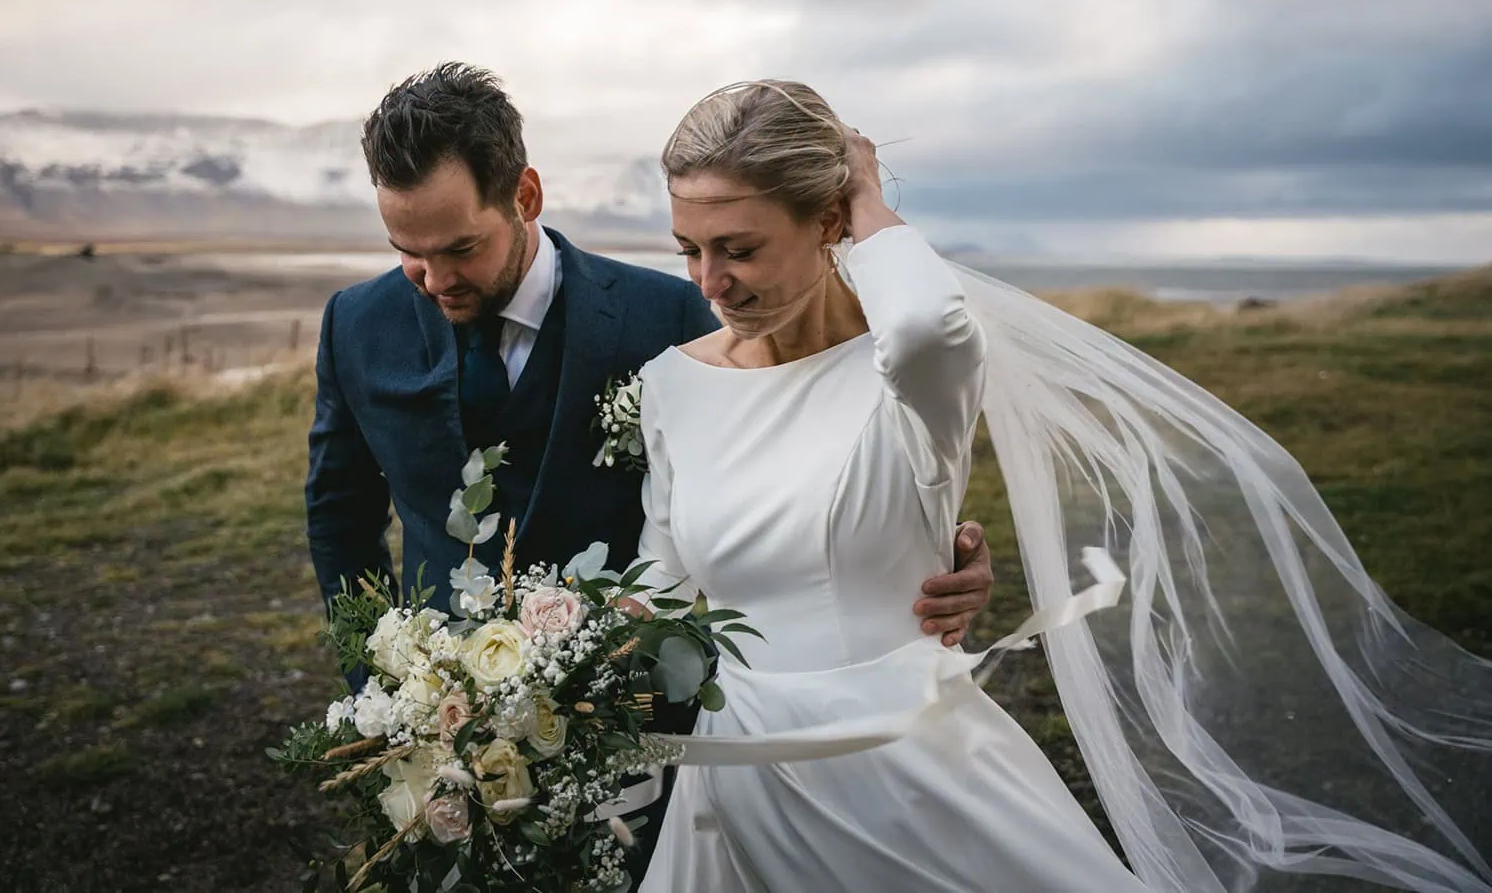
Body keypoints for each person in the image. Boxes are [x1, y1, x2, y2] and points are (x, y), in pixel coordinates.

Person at [634, 80, 1492, 892]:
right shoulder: (674, 384)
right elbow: (660, 578)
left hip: (896, 770)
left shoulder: (911, 377)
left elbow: (926, 322)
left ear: (827, 221)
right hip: (734, 776)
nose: (709, 284)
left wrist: (867, 196)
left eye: (739, 249)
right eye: (691, 250)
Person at [302, 62, 997, 877]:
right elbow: (340, 516)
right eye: (407, 252)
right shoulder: (358, 324)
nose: (434, 279)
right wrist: (398, 696)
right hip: (457, 743)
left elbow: (894, 397)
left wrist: (916, 549)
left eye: (460, 247)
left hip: (682, 748)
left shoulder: (664, 322)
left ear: (524, 195)